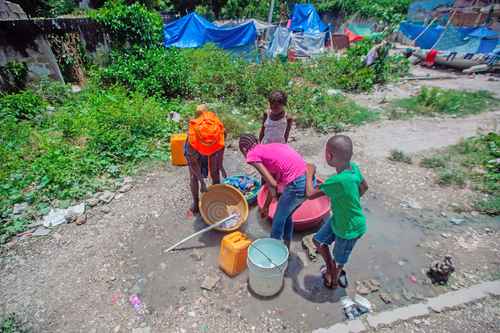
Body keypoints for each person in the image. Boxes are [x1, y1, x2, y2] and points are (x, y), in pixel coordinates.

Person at [305, 135, 368, 289]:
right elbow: (364, 187)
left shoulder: (336, 181)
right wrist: (349, 201)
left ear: (329, 156)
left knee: (338, 261)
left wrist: (309, 172)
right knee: (318, 241)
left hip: (349, 230)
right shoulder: (353, 168)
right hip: (340, 219)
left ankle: (333, 280)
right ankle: (329, 268)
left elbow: (310, 194)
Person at [239, 134, 307, 250]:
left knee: (278, 220)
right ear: (257, 141)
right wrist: (266, 206)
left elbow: (272, 183)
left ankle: (273, 253)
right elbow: (273, 183)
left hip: (296, 185)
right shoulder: (271, 148)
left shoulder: (251, 155)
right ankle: (286, 248)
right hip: (309, 180)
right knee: (287, 216)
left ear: (244, 149)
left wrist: (275, 196)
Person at [185, 105, 227, 214]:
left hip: (212, 146)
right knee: (194, 177)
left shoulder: (218, 130)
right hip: (196, 147)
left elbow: (221, 147)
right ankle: (196, 201)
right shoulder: (191, 143)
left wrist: (221, 164)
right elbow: (193, 164)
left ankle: (216, 197)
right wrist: (202, 181)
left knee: (215, 171)